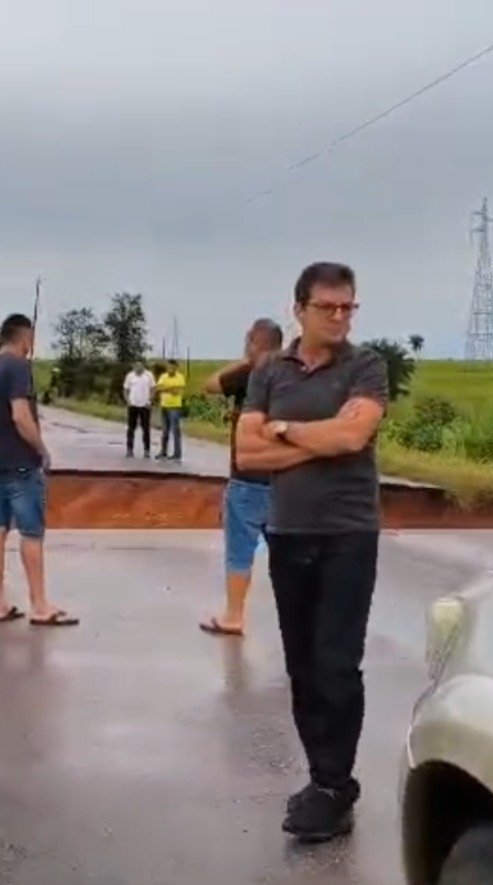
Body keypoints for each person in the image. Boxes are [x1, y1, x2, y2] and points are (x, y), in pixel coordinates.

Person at [235, 261, 389, 843]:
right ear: (299, 309)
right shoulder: (271, 370)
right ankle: (320, 776)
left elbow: (353, 436)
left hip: (348, 533)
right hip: (290, 530)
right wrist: (314, 439)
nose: (341, 317)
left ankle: (334, 783)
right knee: (301, 663)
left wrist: (282, 431)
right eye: (329, 307)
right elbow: (246, 455)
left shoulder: (366, 365)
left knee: (336, 661)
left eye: (349, 306)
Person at [0, 313, 79, 627]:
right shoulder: (19, 367)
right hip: (22, 462)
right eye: (31, 340)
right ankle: (39, 604)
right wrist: (41, 449)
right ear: (23, 338)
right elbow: (21, 415)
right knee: (31, 533)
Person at [198, 318, 284, 638]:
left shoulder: (249, 372)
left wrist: (247, 360)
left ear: (252, 342)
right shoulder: (292, 373)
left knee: (239, 551)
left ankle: (233, 616)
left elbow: (210, 385)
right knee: (289, 555)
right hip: (285, 480)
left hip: (247, 477)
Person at [121, 361, 155, 458]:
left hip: (145, 405)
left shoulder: (149, 375)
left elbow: (153, 389)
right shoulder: (130, 376)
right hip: (133, 405)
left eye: (140, 367)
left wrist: (150, 401)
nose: (138, 369)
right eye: (136, 368)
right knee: (131, 428)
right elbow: (125, 389)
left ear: (143, 367)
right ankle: (129, 449)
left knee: (146, 428)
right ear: (134, 368)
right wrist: (128, 400)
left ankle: (147, 450)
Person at [155, 359, 186, 460]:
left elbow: (177, 391)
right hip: (164, 406)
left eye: (172, 367)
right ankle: (163, 452)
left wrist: (165, 388)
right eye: (168, 367)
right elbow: (158, 388)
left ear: (176, 368)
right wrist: (170, 389)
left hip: (174, 407)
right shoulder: (163, 376)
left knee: (175, 431)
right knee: (164, 431)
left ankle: (177, 454)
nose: (170, 369)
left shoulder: (180, 377)